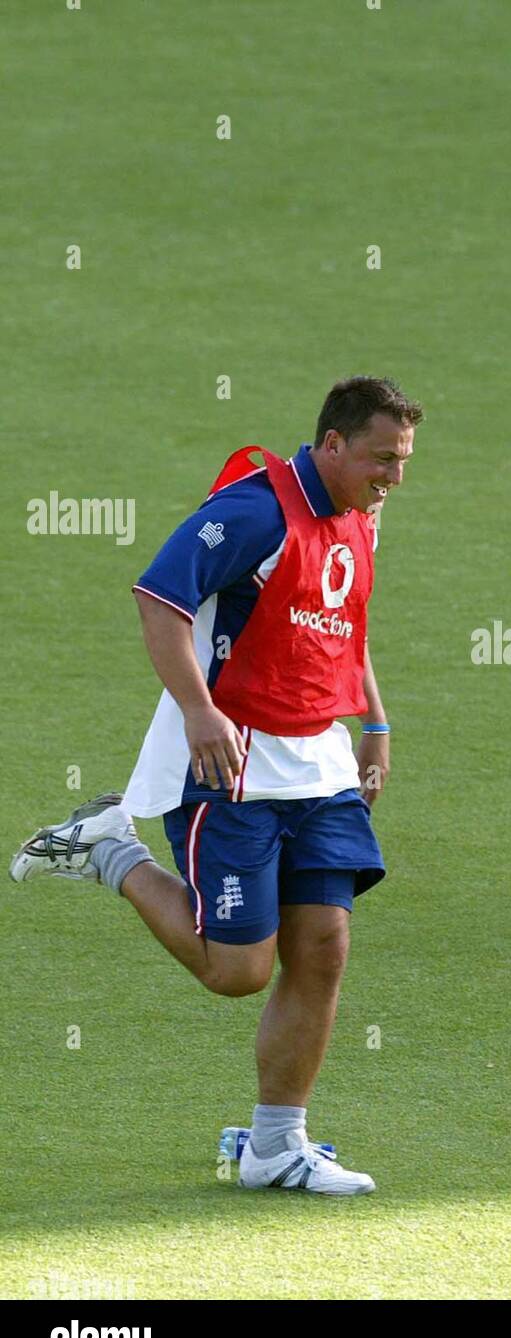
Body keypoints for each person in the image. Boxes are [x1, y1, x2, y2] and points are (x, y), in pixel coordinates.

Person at [10, 375, 422, 1193]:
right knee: (237, 971)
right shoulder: (254, 512)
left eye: (404, 461)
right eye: (381, 459)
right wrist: (197, 711)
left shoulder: (360, 512)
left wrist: (373, 723)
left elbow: (344, 622)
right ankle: (110, 851)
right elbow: (159, 597)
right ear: (331, 444)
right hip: (233, 768)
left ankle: (275, 1146)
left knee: (325, 948)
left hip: (321, 764)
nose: (394, 478)